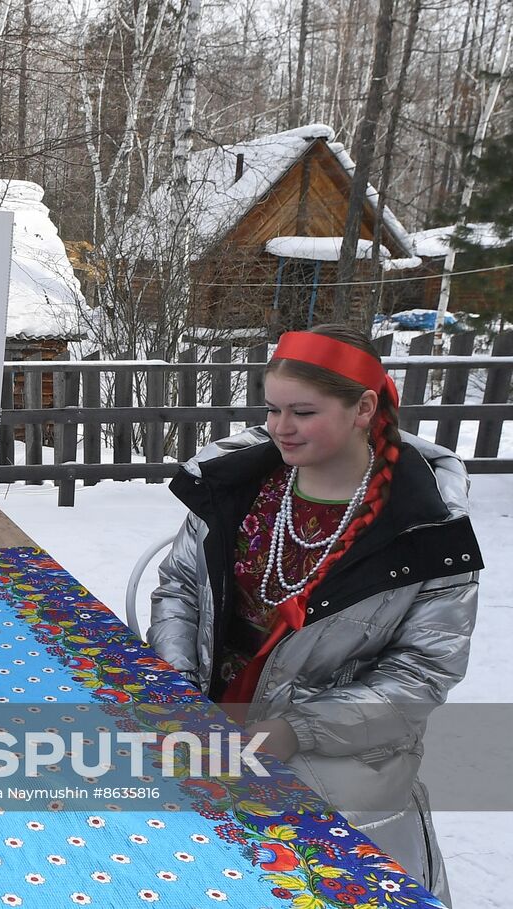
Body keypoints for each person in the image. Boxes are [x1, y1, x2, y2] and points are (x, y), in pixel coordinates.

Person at [149, 325, 481, 902]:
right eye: (273, 409)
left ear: (364, 408)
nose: (281, 427)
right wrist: (178, 682)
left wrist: (295, 730)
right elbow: (180, 587)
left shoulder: (425, 528)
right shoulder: (239, 489)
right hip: (209, 728)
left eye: (303, 411)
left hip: (340, 757)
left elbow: (422, 674)